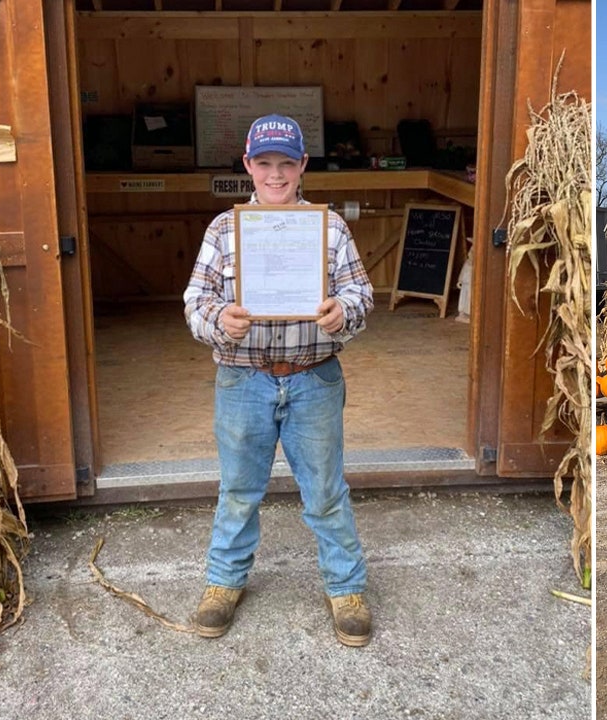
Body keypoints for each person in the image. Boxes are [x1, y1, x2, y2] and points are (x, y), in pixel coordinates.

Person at [183, 114, 375, 647]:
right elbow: (195, 303)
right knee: (239, 491)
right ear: (248, 165)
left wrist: (344, 312)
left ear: (302, 166)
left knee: (325, 492)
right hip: (243, 380)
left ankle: (346, 588)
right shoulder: (225, 229)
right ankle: (224, 582)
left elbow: (362, 294)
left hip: (314, 378)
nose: (274, 174)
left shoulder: (328, 227)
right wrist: (219, 319)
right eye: (264, 163)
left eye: (285, 163)